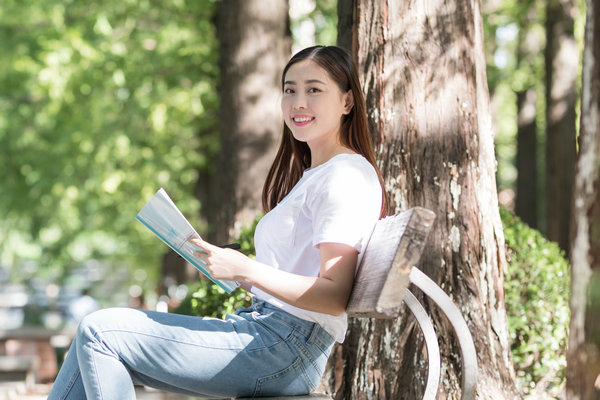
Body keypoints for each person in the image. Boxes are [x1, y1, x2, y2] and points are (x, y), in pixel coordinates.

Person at [47, 45, 388, 400]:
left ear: (347, 102)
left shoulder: (344, 175)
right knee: (94, 340)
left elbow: (334, 296)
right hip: (268, 335)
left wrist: (247, 269)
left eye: (314, 90)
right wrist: (237, 272)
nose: (298, 102)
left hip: (283, 347)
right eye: (290, 90)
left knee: (99, 331)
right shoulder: (316, 174)